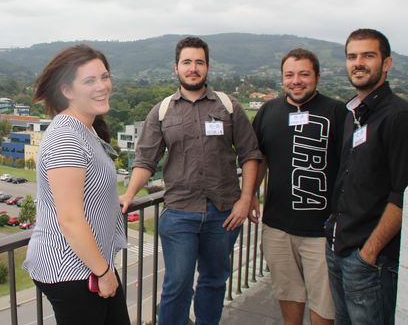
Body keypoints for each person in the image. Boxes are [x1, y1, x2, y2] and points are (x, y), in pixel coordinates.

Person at [120, 36, 262, 325]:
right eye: (187, 62)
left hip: (224, 213)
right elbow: (146, 160)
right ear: (176, 68)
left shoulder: (228, 106)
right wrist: (129, 193)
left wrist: (246, 199)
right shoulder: (161, 111)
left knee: (214, 280)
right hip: (180, 213)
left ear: (208, 67)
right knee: (178, 283)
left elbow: (250, 155)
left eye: (199, 62)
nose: (193, 68)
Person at [23, 44, 130, 325]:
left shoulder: (85, 129)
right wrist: (104, 273)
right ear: (67, 91)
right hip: (71, 270)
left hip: (90, 265)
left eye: (105, 77)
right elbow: (70, 219)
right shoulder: (65, 138)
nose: (102, 86)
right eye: (90, 80)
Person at [252, 48, 346, 325]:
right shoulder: (269, 111)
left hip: (322, 231)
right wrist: (249, 196)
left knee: (324, 304)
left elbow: (350, 165)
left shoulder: (337, 112)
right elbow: (259, 158)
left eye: (304, 74)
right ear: (282, 78)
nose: (296, 81)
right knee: (288, 293)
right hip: (277, 226)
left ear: (317, 76)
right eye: (290, 75)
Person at [325, 29, 408, 324]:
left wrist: (369, 253)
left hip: (369, 259)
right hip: (339, 248)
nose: (358, 63)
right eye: (352, 56)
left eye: (368, 56)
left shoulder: (398, 116)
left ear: (386, 63)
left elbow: (403, 194)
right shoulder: (352, 113)